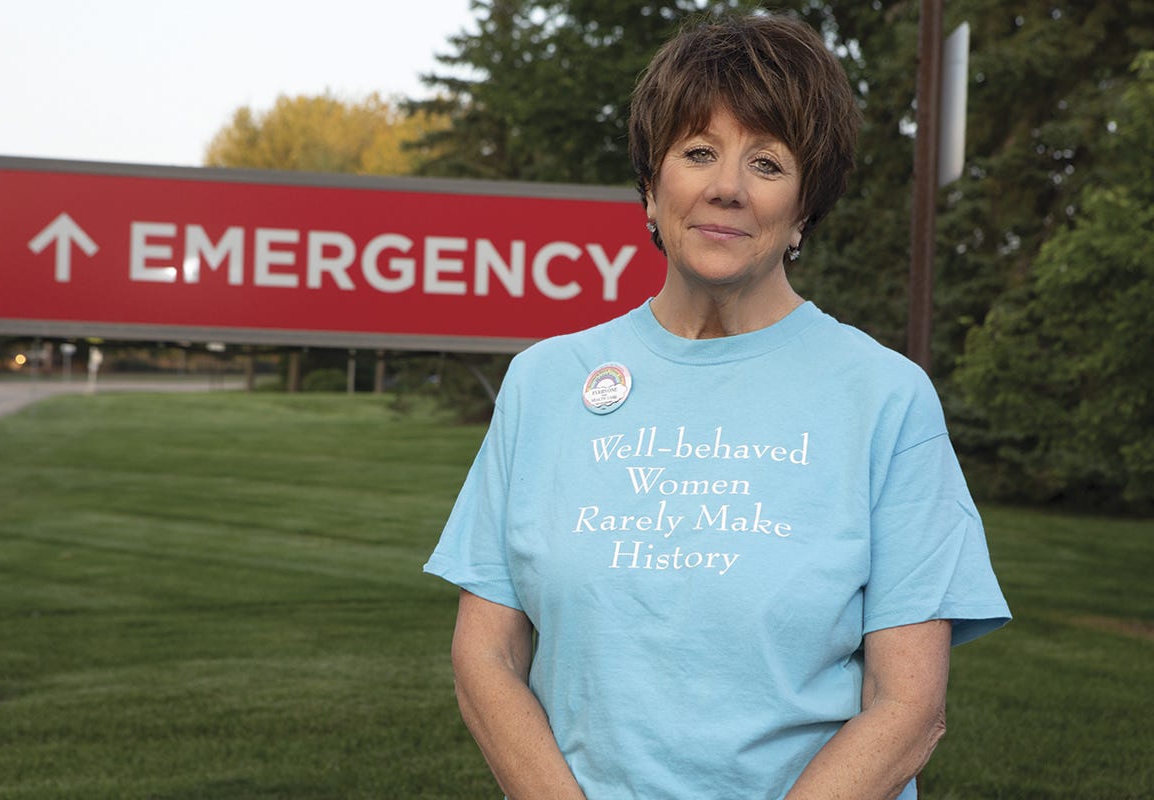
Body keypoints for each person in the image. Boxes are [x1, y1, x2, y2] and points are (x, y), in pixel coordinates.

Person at [423, 12, 1010, 800]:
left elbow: (910, 708)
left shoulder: (885, 399)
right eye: (699, 152)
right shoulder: (545, 383)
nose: (726, 186)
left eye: (767, 163)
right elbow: (484, 660)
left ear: (803, 209)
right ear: (651, 184)